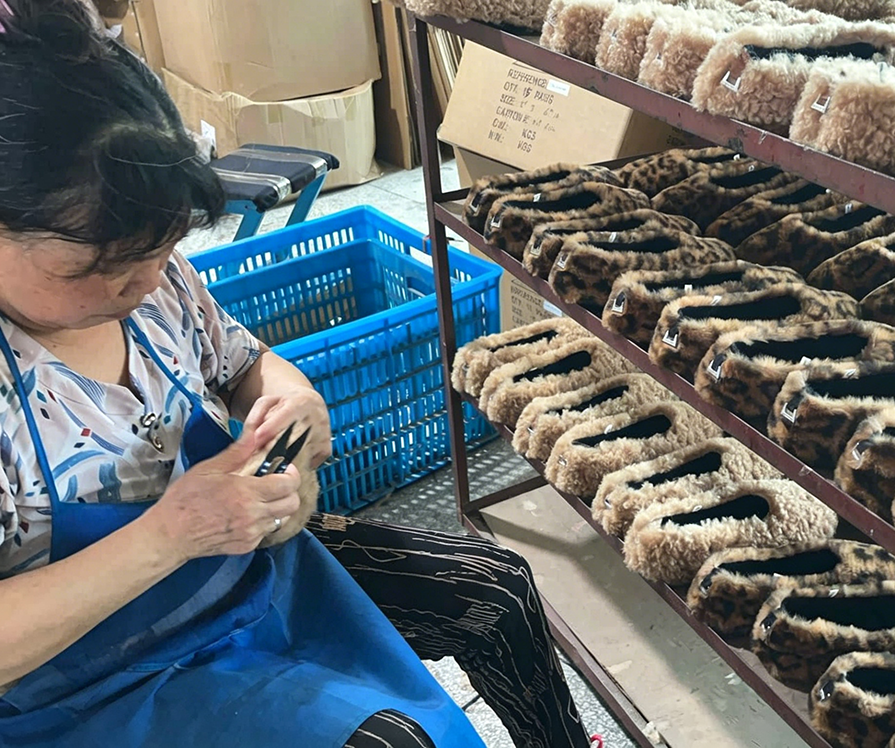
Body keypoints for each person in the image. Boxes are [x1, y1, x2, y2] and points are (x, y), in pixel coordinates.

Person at [0, 2, 599, 747]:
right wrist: (168, 535)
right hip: (91, 683)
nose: (148, 285)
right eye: (100, 267)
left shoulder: (157, 282)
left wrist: (296, 408)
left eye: (160, 250)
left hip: (237, 577)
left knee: (495, 593)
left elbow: (248, 364)